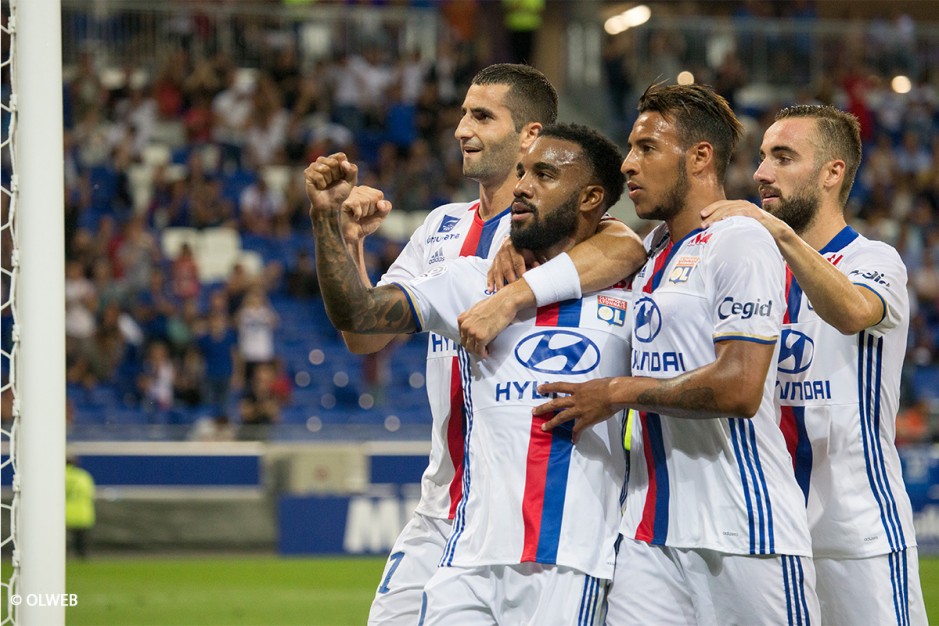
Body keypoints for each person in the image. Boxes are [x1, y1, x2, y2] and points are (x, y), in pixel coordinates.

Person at [334, 64, 645, 624]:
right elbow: (363, 333)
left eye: (481, 116)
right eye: (462, 114)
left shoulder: (555, 231)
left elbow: (626, 245)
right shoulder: (441, 228)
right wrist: (347, 241)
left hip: (539, 518)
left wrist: (513, 295)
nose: (461, 128)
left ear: (530, 135)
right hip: (446, 501)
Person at [504, 83, 819, 625]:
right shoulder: (649, 252)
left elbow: (740, 388)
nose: (629, 163)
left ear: (699, 157)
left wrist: (617, 392)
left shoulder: (739, 240)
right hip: (648, 535)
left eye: (647, 148)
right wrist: (511, 243)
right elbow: (591, 237)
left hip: (744, 531)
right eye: (630, 147)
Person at [700, 104, 927, 626]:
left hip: (857, 537)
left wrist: (777, 233)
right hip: (767, 534)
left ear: (832, 173)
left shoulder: (874, 261)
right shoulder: (750, 273)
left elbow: (852, 312)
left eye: (783, 157)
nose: (761, 172)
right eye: (762, 157)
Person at [66, 456, 96, 560]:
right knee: (80, 539)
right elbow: (90, 493)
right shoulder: (84, 476)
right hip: (82, 512)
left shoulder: (59, 476)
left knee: (60, 538)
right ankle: (81, 557)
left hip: (64, 513)